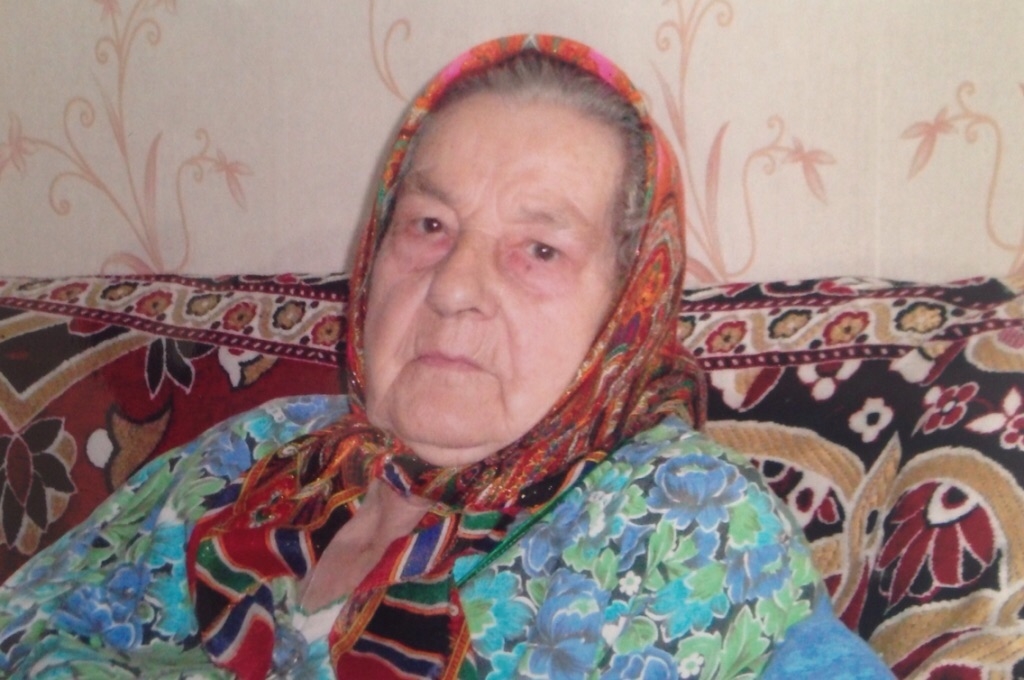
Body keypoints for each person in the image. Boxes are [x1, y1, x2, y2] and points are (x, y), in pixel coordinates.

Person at [0, 35, 893, 679]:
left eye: (539, 249)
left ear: (629, 304)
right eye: (429, 225)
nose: (454, 286)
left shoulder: (689, 523)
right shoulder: (252, 456)